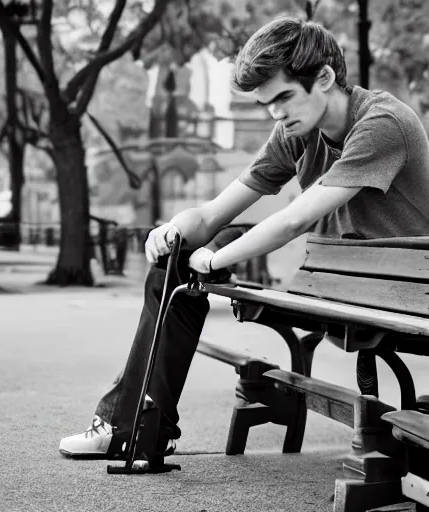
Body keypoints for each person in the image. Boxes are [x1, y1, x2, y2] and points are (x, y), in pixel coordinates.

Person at [59, 16, 429, 459]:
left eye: (284, 98)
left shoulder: (382, 123)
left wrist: (214, 260)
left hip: (402, 294)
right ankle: (138, 425)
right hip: (342, 281)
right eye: (267, 103)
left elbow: (292, 221)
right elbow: (216, 212)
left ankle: (131, 424)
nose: (276, 113)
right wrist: (174, 230)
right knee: (175, 260)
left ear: (326, 78)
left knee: (200, 259)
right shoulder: (297, 131)